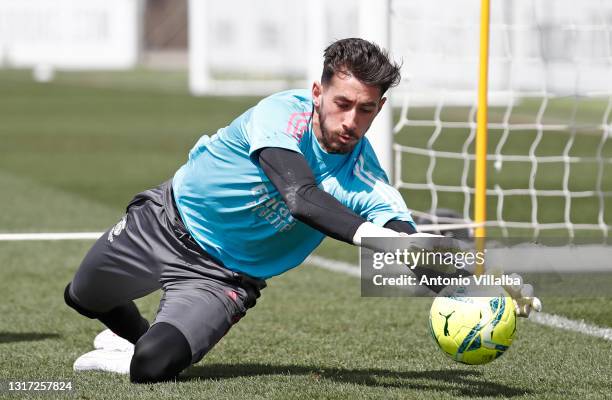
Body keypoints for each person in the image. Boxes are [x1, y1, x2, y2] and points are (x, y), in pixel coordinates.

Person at [64, 38, 540, 384]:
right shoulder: (280, 115)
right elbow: (300, 196)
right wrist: (387, 243)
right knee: (82, 296)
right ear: (317, 92)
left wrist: (471, 284)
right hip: (164, 222)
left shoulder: (368, 178)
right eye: (343, 104)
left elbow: (404, 246)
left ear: (381, 107)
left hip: (224, 277)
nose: (352, 122)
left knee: (151, 367)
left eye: (367, 110)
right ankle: (131, 333)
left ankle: (142, 346)